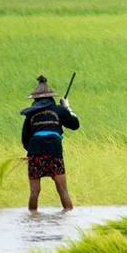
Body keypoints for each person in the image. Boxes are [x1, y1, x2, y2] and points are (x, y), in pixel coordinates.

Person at [19, 75, 80, 211]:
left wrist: (31, 153)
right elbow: (75, 124)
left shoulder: (31, 114)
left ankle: (33, 220)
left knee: (34, 192)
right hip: (54, 152)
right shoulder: (59, 110)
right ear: (51, 97)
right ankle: (68, 217)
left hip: (35, 151)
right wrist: (67, 107)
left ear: (35, 99)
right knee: (63, 190)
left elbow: (25, 138)